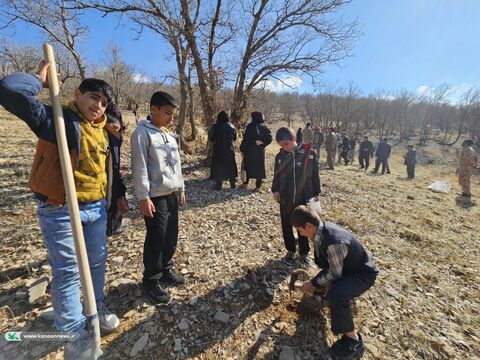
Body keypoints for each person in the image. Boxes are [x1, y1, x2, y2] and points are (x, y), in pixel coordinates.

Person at [0, 61, 127, 357]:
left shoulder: (105, 130)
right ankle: (73, 334)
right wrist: (40, 79)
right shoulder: (54, 119)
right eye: (93, 97)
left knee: (96, 263)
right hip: (60, 208)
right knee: (68, 270)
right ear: (76, 93)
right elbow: (9, 91)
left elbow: (113, 167)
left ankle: (94, 311)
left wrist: (118, 198)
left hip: (96, 208)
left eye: (103, 102)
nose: (98, 105)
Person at [290, 205, 378, 360]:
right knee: (329, 288)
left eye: (299, 229)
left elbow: (334, 273)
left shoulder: (334, 241)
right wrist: (320, 283)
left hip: (362, 275)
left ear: (308, 225)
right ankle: (329, 299)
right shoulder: (320, 232)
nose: (300, 233)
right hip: (347, 270)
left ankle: (353, 340)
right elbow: (331, 267)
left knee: (336, 295)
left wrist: (313, 284)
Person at [131, 91, 186, 304]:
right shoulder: (142, 134)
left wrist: (181, 188)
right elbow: (140, 167)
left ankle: (165, 267)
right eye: (167, 113)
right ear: (153, 109)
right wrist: (143, 197)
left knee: (171, 234)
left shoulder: (171, 136)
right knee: (156, 236)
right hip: (155, 196)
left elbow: (177, 164)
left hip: (172, 192)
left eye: (173, 114)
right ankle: (151, 280)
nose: (171, 119)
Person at [271, 127, 321, 267]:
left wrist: (316, 193)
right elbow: (277, 175)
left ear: (294, 139)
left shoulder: (308, 154)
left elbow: (315, 175)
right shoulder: (280, 157)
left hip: (302, 198)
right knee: (286, 224)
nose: (284, 148)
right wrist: (275, 190)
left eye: (286, 144)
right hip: (285, 198)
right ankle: (291, 250)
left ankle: (304, 253)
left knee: (302, 225)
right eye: (281, 146)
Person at [105, 103, 128, 236]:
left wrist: (120, 195)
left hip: (110, 196)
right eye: (113, 128)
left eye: (119, 129)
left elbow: (114, 171)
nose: (117, 132)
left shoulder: (115, 140)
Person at [240, 111, 272, 189]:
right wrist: (262, 142)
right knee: (259, 166)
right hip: (260, 151)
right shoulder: (265, 127)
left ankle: (245, 182)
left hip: (250, 150)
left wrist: (242, 149)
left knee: (247, 165)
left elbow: (246, 139)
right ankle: (258, 185)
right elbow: (270, 138)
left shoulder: (250, 126)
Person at [208, 110, 238, 190]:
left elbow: (210, 138)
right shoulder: (232, 126)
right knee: (230, 167)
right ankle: (233, 185)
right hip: (229, 150)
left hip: (218, 150)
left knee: (219, 167)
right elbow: (235, 138)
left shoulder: (214, 126)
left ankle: (218, 186)